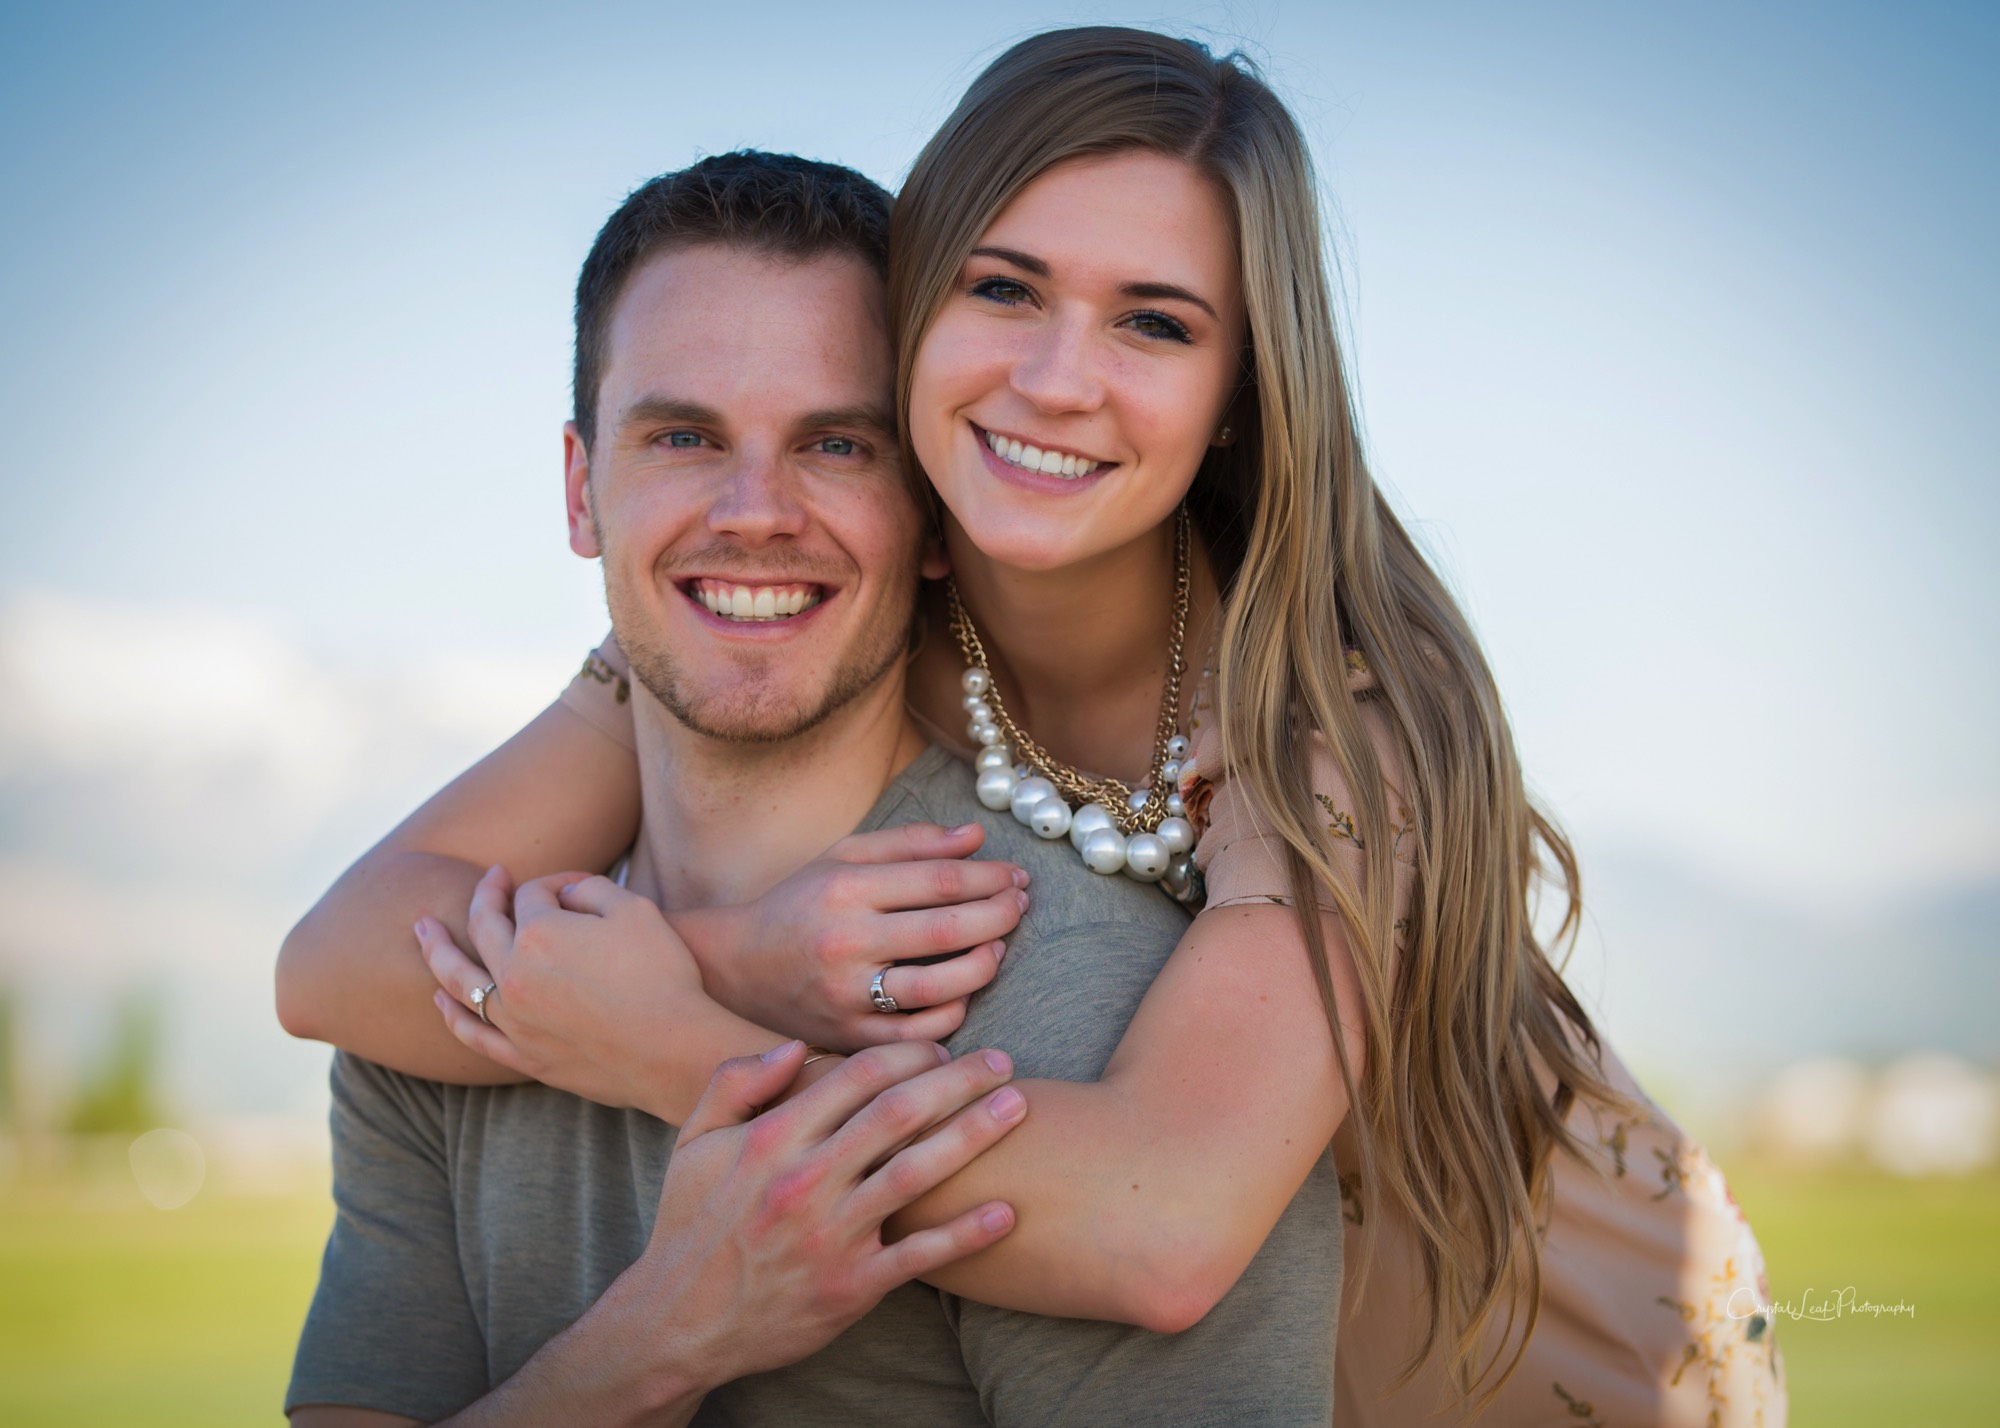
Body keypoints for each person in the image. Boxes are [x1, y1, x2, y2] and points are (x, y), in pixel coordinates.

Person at [284, 27, 1787, 1426]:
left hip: (1546, 1312)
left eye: (1153, 323)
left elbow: (1165, 1223)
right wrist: (731, 956)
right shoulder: (796, 616)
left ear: (1239, 390)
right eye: (1003, 290)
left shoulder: (1332, 715)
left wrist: (673, 1039)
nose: (1057, 381)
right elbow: (337, 958)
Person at [282, 149, 1343, 1426]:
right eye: (683, 438)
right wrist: (653, 1345)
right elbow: (313, 968)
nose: (754, 513)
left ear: (935, 512)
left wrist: (680, 1035)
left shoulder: (1089, 1010)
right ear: (580, 488)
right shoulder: (466, 985)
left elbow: (1162, 1231)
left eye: (836, 445)